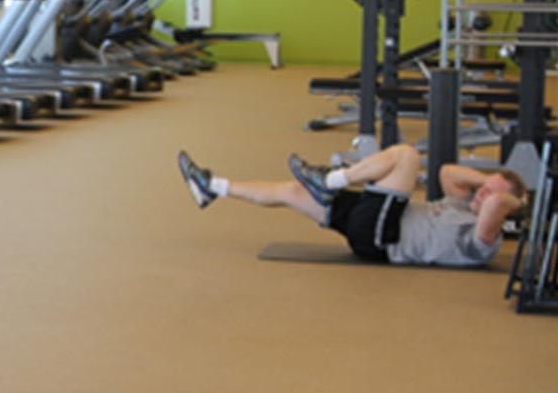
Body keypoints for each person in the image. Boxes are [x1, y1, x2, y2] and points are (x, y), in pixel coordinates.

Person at [176, 141, 526, 268]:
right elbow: (448, 172)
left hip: (384, 239)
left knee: (406, 156)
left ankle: (330, 180)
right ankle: (212, 187)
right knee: (292, 191)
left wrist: (512, 198)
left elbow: (495, 206)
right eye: (482, 190)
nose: (481, 195)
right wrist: (487, 181)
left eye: (489, 195)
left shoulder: (482, 241)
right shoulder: (463, 205)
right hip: (374, 222)